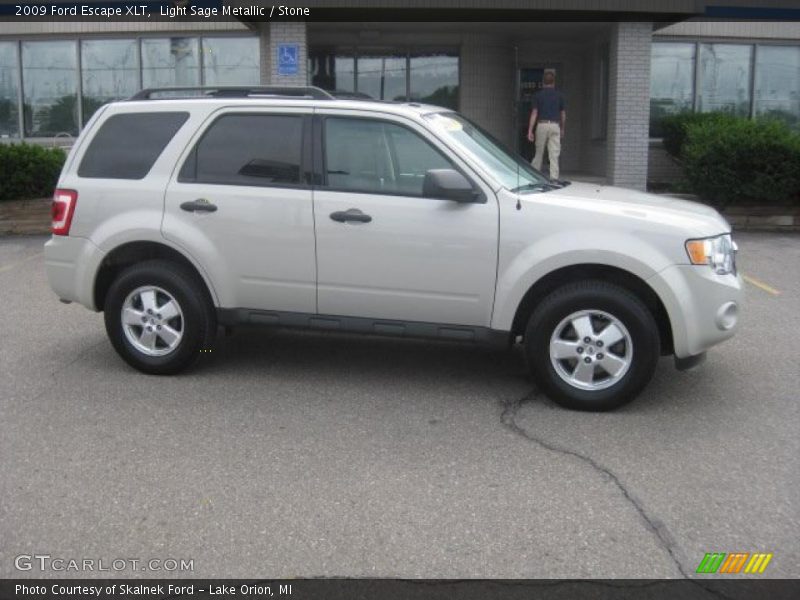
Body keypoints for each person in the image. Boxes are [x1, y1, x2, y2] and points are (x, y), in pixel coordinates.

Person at [526, 71, 566, 180]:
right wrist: (562, 128)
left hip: (542, 125)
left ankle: (533, 177)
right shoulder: (559, 96)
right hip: (555, 125)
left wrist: (530, 130)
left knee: (539, 153)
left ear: (543, 82)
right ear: (554, 82)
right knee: (554, 155)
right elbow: (562, 114)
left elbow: (534, 113)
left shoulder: (538, 95)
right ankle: (554, 178)